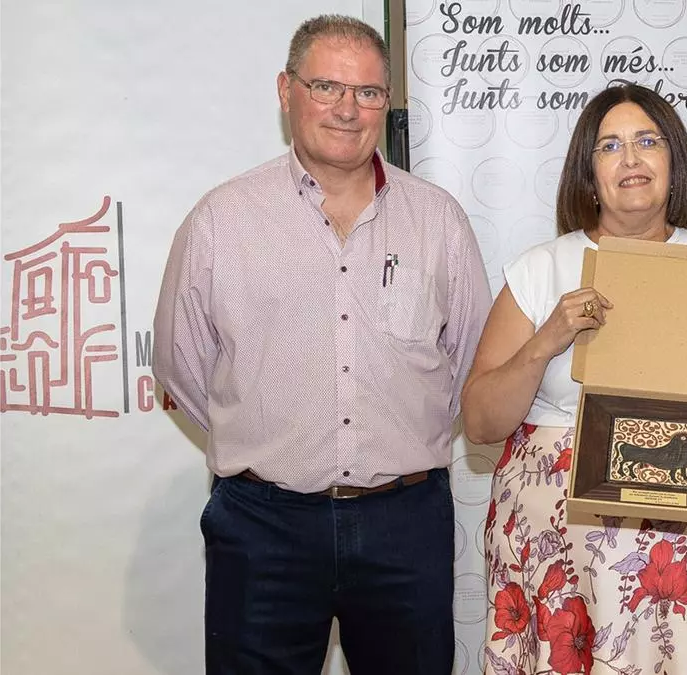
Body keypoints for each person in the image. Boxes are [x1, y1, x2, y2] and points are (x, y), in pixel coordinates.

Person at [152, 15, 490, 674]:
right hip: (262, 524)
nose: (347, 109)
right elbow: (181, 363)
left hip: (404, 523)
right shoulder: (222, 219)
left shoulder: (438, 220)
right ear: (287, 91)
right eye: (326, 86)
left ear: (386, 102)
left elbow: (469, 362)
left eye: (367, 92)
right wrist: (263, 438)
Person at [461, 83, 687, 675]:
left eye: (647, 141)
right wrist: (548, 339)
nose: (630, 158)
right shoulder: (538, 270)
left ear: (674, 161)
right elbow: (480, 421)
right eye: (609, 146)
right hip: (558, 551)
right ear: (588, 175)